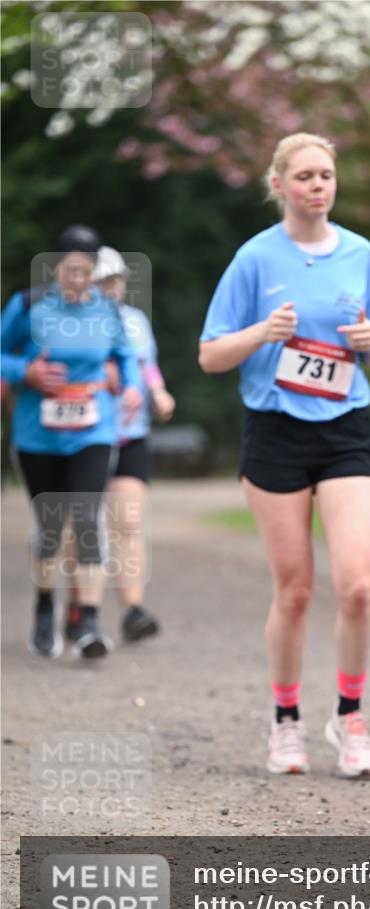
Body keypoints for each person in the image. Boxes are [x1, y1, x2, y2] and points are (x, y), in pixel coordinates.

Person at [199, 132, 370, 778]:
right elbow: (210, 354)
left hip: (345, 429)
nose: (318, 185)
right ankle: (285, 722)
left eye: (327, 175)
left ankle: (350, 715)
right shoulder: (254, 259)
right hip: (275, 431)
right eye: (305, 175)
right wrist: (263, 332)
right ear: (278, 184)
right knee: (295, 590)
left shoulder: (360, 253)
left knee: (358, 586)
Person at [1, 225, 142, 658]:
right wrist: (26, 371)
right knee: (50, 526)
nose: (79, 279)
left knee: (85, 519)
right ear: (56, 267)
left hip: (93, 430)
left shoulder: (108, 311)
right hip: (37, 434)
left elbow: (124, 356)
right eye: (71, 270)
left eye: (86, 271)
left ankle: (89, 622)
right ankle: (45, 607)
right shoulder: (28, 305)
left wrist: (133, 386)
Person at [64, 246, 175, 643]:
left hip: (130, 434)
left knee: (127, 522)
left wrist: (158, 393)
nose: (113, 289)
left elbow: (147, 366)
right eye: (104, 282)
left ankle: (132, 609)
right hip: (87, 436)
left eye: (116, 281)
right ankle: (80, 606)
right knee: (85, 526)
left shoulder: (135, 322)